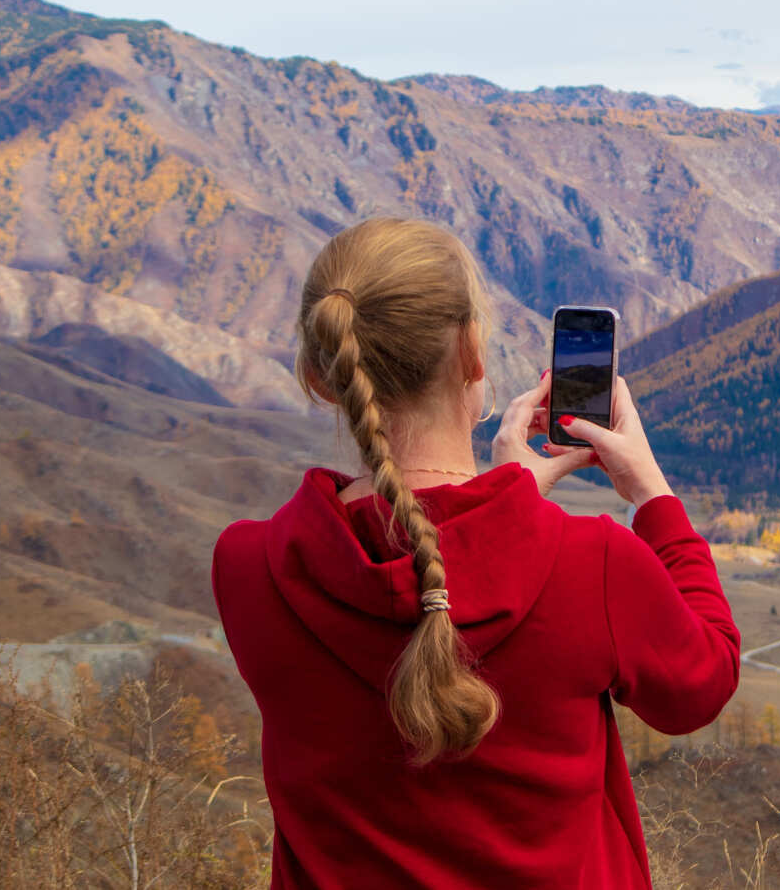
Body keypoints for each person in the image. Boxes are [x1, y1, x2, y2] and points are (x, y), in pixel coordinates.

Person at [212, 217, 741, 888]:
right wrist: (650, 494)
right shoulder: (595, 566)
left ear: (321, 377)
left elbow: (421, 567)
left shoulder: (249, 567)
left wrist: (509, 496)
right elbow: (702, 683)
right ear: (472, 353)